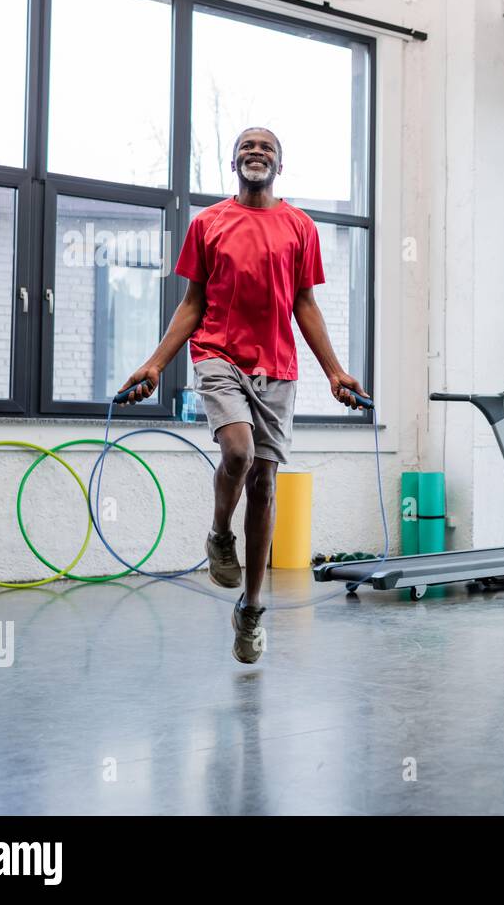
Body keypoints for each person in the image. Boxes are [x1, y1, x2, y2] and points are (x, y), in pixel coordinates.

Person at [117, 127, 369, 664]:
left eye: (267, 148)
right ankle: (218, 534)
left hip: (277, 367)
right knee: (238, 451)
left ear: (281, 163)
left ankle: (251, 609)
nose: (257, 153)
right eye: (247, 148)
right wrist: (157, 363)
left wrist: (335, 372)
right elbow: (192, 302)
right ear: (234, 162)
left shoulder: (299, 226)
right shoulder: (208, 223)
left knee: (265, 484)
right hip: (219, 355)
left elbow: (304, 304)